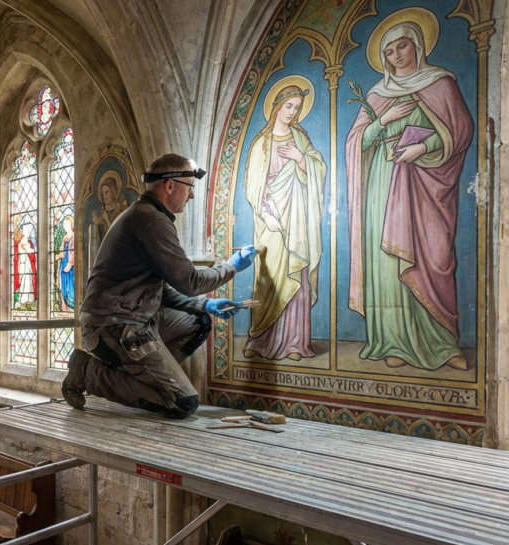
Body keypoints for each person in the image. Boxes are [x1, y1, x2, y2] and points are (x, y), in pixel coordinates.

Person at [62, 153, 257, 418]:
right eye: (189, 188)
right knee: (182, 403)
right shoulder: (150, 219)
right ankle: (88, 372)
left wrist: (205, 304)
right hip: (113, 327)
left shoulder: (147, 215)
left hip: (134, 321)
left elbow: (157, 288)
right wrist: (232, 266)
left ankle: (149, 375)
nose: (191, 196)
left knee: (199, 320)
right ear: (170, 185)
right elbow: (189, 280)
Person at [345, 13, 471, 371]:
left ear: (417, 45)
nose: (396, 56)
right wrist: (381, 120)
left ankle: (444, 343)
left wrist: (423, 146)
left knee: (434, 256)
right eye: (389, 51)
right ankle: (393, 341)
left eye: (402, 46)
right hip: (383, 187)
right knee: (387, 267)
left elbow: (461, 131)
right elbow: (356, 142)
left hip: (425, 184)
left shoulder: (440, 83)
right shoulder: (376, 94)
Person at [243, 79, 325, 361]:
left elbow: (318, 170)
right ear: (277, 106)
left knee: (296, 273)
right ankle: (262, 339)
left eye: (297, 107)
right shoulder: (261, 143)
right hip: (272, 220)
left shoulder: (300, 138)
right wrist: (267, 213)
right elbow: (253, 187)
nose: (292, 111)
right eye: (288, 106)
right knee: (271, 278)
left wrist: (301, 158)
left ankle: (295, 343)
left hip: (297, 220)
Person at [56, 216, 75, 310]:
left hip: (71, 265)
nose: (65, 226)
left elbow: (76, 252)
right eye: (64, 224)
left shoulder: (74, 236)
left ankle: (72, 307)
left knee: (70, 285)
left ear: (71, 225)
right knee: (62, 284)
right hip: (64, 263)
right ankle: (64, 307)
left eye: (67, 224)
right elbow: (62, 253)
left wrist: (71, 263)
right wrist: (55, 257)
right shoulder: (65, 237)